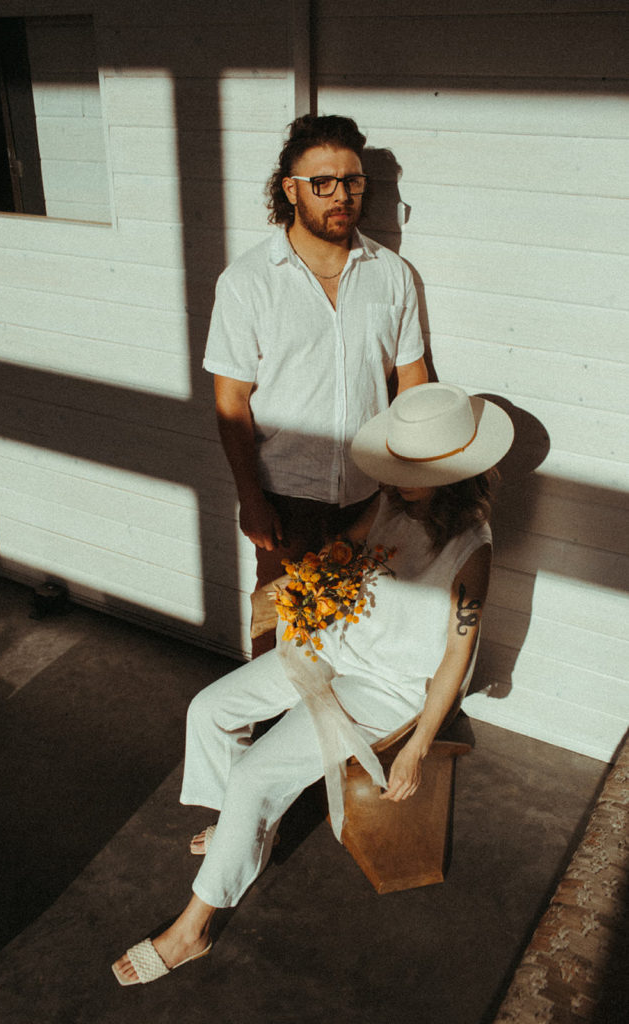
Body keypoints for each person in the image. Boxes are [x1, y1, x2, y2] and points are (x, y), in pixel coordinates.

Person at [112, 382, 514, 986]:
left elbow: (458, 657)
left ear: (453, 471)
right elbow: (342, 550)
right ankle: (243, 830)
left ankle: (193, 928)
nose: (398, 478)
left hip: (390, 686)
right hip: (339, 647)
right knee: (209, 709)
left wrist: (418, 746)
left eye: (413, 469)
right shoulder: (392, 504)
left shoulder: (471, 549)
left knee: (256, 774)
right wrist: (294, 589)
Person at [203, 114, 428, 654]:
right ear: (291, 190)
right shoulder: (248, 283)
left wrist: (409, 478)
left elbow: (412, 379)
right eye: (322, 183)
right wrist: (251, 499)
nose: (341, 195)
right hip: (286, 504)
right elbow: (231, 403)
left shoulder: (392, 274)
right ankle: (268, 712)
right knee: (280, 638)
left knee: (361, 634)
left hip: (371, 495)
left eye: (352, 181)